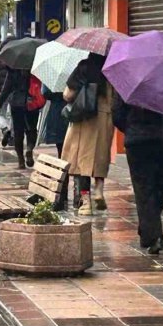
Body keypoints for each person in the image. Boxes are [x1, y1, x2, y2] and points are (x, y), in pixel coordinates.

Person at [113, 93, 163, 255]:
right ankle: (154, 235)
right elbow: (117, 113)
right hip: (142, 141)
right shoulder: (129, 84)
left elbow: (117, 114)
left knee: (156, 188)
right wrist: (131, 128)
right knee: (149, 188)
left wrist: (129, 128)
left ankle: (148, 229)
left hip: (158, 140)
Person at [62, 54, 114, 216]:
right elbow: (114, 98)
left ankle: (86, 202)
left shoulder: (83, 67)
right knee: (100, 158)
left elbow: (68, 94)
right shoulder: (111, 70)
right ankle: (99, 190)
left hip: (84, 117)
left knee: (81, 162)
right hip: (104, 117)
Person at [0, 67, 40, 169]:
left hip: (17, 102)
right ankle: (29, 148)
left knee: (18, 132)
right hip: (31, 102)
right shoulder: (35, 67)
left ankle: (20, 159)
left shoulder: (13, 69)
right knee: (32, 129)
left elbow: (6, 88)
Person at [0, 36, 15, 147]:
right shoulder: (17, 57)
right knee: (12, 113)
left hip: (1, 89)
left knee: (0, 112)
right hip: (13, 89)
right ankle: (12, 135)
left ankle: (5, 130)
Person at [41, 85, 68, 158]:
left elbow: (45, 93)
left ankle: (60, 156)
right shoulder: (74, 77)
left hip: (56, 108)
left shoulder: (51, 77)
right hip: (70, 107)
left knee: (58, 137)